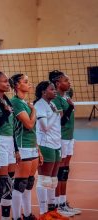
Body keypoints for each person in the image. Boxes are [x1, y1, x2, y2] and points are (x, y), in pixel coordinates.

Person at [34, 81, 70, 220]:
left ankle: (52, 210)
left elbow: (57, 122)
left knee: (53, 179)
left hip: (56, 144)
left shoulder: (52, 104)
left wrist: (57, 113)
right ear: (43, 92)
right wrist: (56, 115)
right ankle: (43, 213)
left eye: (55, 89)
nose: (54, 91)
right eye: (51, 89)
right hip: (45, 145)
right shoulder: (40, 105)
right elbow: (44, 127)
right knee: (44, 179)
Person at [0, 71, 20, 220]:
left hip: (9, 142)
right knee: (0, 183)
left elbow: (12, 127)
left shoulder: (7, 100)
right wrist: (5, 114)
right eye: (4, 81)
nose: (8, 84)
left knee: (9, 181)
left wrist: (16, 148)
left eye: (8, 81)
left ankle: (6, 217)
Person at [9, 73, 42, 220]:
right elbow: (29, 124)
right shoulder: (15, 102)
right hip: (22, 146)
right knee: (20, 184)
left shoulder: (24, 103)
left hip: (32, 147)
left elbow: (33, 129)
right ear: (17, 86)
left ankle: (27, 214)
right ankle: (16, 217)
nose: (29, 84)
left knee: (29, 183)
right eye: (25, 81)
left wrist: (38, 150)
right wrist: (34, 110)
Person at [49, 70, 81, 216]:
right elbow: (61, 121)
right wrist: (71, 108)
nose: (69, 83)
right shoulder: (56, 99)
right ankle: (57, 204)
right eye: (66, 80)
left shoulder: (66, 96)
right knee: (59, 170)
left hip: (69, 138)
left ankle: (63, 202)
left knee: (65, 170)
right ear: (57, 83)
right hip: (60, 138)